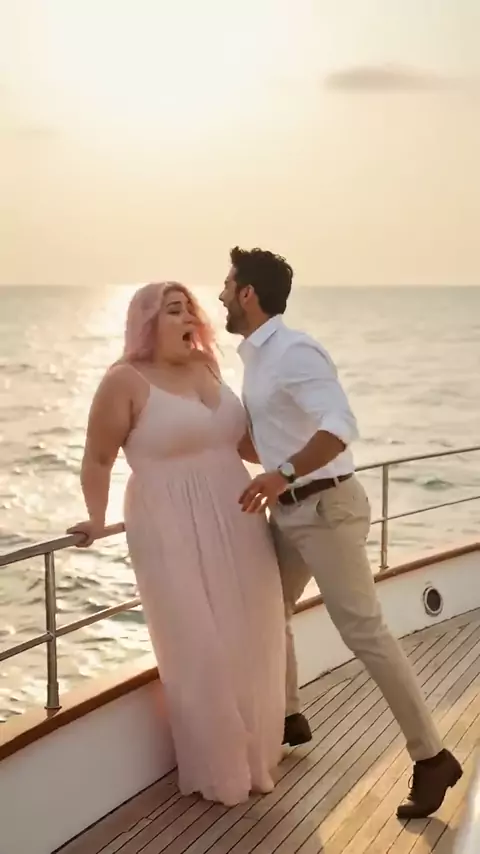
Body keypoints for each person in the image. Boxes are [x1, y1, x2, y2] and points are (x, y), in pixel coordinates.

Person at [219, 246, 462, 820]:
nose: (221, 294)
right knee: (266, 608)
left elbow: (341, 426)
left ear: (248, 294)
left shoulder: (294, 351)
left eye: (228, 285)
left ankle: (432, 758)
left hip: (326, 510)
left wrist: (281, 474)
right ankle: (289, 715)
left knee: (365, 633)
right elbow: (269, 442)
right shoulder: (255, 360)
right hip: (291, 513)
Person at [67, 281, 286, 806]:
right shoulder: (124, 380)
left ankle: (255, 760)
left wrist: (300, 465)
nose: (187, 316)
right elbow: (98, 457)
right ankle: (218, 770)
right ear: (147, 322)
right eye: (173, 310)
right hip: (166, 523)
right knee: (198, 644)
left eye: (189, 308)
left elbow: (243, 443)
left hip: (237, 517)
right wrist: (95, 520)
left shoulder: (207, 366)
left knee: (251, 634)